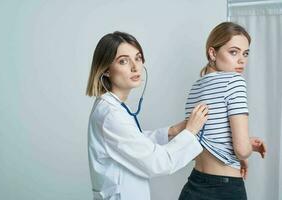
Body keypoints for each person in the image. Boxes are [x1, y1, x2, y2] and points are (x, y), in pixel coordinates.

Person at [86, 31, 208, 200]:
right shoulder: (110, 114)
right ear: (106, 70)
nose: (135, 67)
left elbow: (133, 141)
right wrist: (191, 132)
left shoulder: (113, 108)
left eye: (138, 58)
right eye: (123, 61)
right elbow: (157, 163)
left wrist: (172, 131)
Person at [178, 22, 267, 200]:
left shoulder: (196, 87)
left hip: (194, 183)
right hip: (224, 189)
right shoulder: (234, 81)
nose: (242, 59)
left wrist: (243, 142)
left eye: (245, 53)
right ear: (212, 53)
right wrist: (247, 148)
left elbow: (205, 135)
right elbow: (241, 150)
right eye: (233, 52)